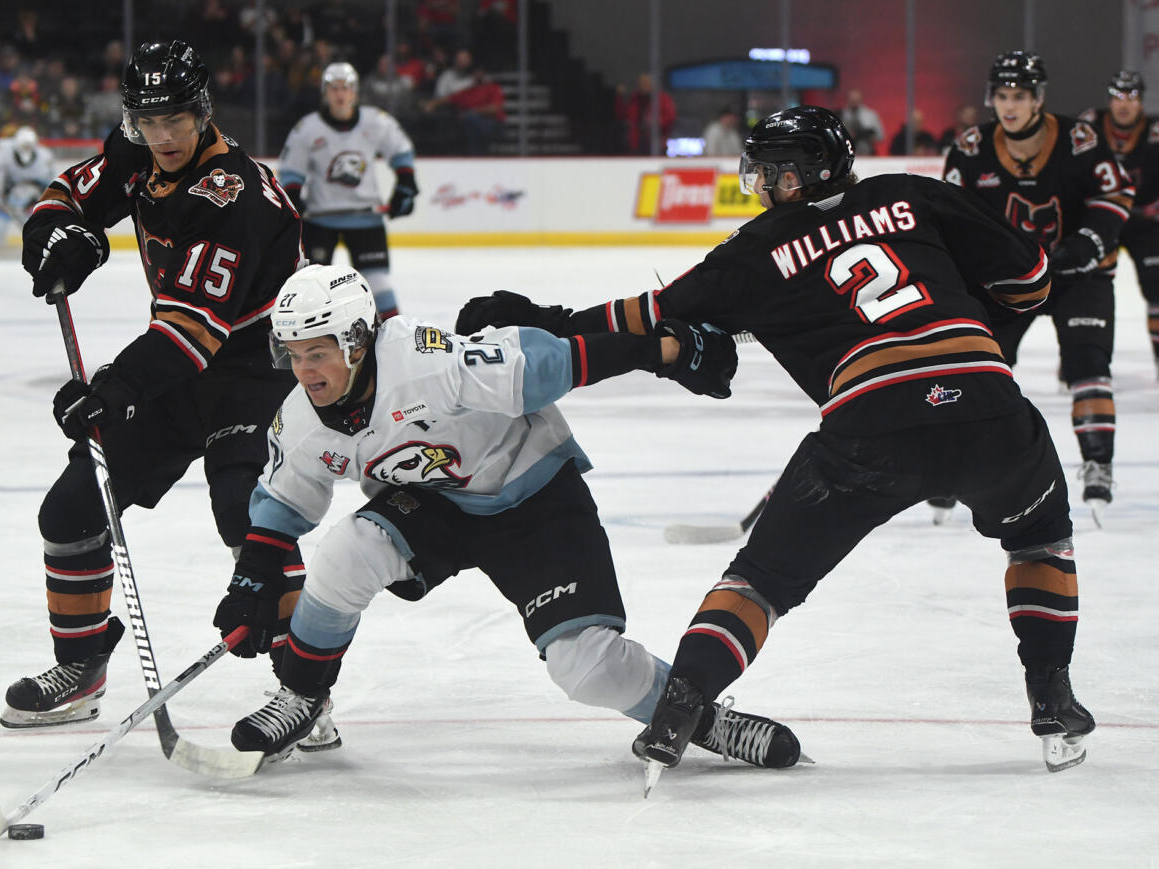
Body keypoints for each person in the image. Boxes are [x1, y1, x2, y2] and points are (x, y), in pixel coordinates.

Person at [454, 106, 1095, 787]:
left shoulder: (755, 252)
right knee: (1038, 540)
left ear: (803, 174)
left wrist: (548, 322)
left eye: (767, 171)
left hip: (867, 429)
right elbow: (1032, 280)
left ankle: (679, 709)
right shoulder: (914, 192)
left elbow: (650, 315)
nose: (757, 182)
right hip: (988, 409)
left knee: (759, 582)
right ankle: (1052, 693)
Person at [211, 262, 803, 774]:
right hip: (437, 503)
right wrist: (255, 574)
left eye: (318, 353)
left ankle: (701, 719)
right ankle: (302, 696)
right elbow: (285, 501)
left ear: (359, 342)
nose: (306, 371)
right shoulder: (304, 417)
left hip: (534, 494)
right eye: (293, 355)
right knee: (347, 551)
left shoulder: (427, 363)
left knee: (585, 668)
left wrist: (666, 351)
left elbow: (553, 362)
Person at [0, 41, 305, 730]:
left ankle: (304, 686)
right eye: (147, 119)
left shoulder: (235, 196)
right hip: (182, 367)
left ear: (203, 111)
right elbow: (72, 193)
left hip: (258, 371)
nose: (162, 136)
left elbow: (194, 329)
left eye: (176, 120)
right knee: (72, 509)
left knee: (246, 510)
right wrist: (56, 236)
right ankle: (82, 668)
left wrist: (112, 388)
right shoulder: (138, 147)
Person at [942, 51, 1134, 526]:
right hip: (1010, 280)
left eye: (1020, 96)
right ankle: (962, 463)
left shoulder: (1080, 139)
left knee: (1089, 365)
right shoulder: (970, 149)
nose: (1009, 106)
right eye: (1002, 96)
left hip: (1079, 274)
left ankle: (1098, 463)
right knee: (982, 367)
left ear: (1038, 98)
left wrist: (1090, 240)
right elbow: (948, 213)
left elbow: (1114, 194)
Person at [278, 61, 417, 319]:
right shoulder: (307, 128)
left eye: (346, 87)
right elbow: (290, 171)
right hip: (319, 221)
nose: (340, 94)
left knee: (379, 287)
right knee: (309, 289)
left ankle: (396, 339)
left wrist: (406, 184)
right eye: (334, 88)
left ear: (355, 91)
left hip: (366, 219)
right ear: (324, 92)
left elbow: (401, 151)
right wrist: (294, 196)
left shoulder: (376, 122)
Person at [1079, 71, 1159, 379]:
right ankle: (1078, 355)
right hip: (1103, 218)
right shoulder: (1089, 125)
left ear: (1141, 102)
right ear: (1109, 99)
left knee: (1156, 287)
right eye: (1118, 97)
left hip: (1144, 221)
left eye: (1131, 98)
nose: (1124, 105)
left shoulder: (1154, 131)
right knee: (1083, 287)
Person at [0, 125, 53, 258]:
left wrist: (37, 201)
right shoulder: (2, 149)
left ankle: (42, 246)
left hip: (29, 193)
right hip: (5, 187)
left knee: (36, 218)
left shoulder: (44, 158)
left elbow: (49, 185)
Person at [840, 88, 884, 155]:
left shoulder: (870, 115)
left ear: (861, 100)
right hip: (845, 153)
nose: (854, 102)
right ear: (848, 100)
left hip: (866, 153)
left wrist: (867, 136)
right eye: (852, 100)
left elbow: (880, 136)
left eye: (856, 100)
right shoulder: (841, 114)